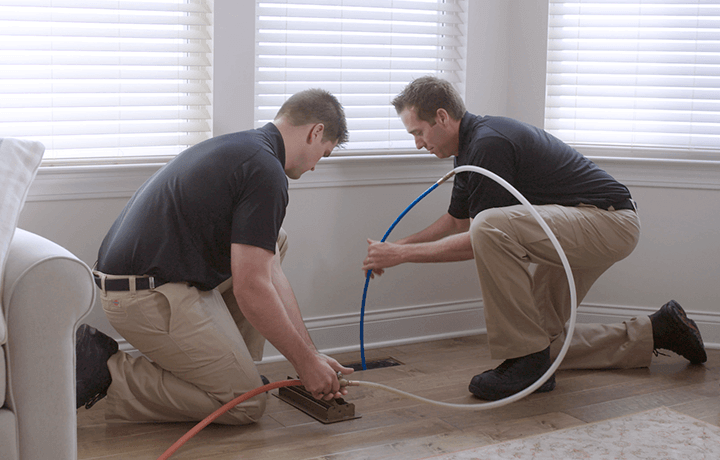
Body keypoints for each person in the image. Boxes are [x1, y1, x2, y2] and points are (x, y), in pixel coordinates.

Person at [361, 75, 707, 401]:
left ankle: (525, 361)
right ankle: (659, 331)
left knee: (494, 238)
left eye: (418, 133)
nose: (418, 144)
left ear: (441, 117)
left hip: (608, 221)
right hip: (579, 225)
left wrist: (401, 257)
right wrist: (394, 248)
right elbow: (456, 223)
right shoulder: (468, 151)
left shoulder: (488, 145)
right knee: (544, 346)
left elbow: (479, 237)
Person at [76, 88, 354, 425]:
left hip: (143, 281)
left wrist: (310, 356)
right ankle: (105, 375)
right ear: (316, 132)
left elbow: (271, 275)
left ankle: (232, 370)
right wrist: (305, 365)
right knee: (246, 405)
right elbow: (252, 287)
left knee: (273, 243)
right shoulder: (266, 173)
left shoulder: (245, 148)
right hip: (143, 296)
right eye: (323, 155)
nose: (314, 167)